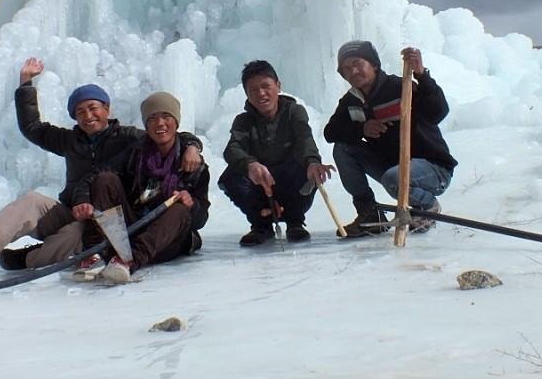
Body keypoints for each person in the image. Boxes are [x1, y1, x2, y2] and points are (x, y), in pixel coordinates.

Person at [0, 58, 202, 280]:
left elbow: (166, 133)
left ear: (106, 109)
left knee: (76, 236)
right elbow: (32, 128)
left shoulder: (128, 137)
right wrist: (25, 84)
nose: (88, 116)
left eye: (93, 108)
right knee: (32, 200)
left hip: (107, 218)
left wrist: (193, 146)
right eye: (80, 111)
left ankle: (28, 257)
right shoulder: (69, 140)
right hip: (73, 210)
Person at [71, 91, 209, 284]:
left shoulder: (195, 165)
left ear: (176, 121)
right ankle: (97, 253)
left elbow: (200, 220)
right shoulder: (135, 153)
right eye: (152, 118)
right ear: (146, 125)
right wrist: (82, 200)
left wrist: (191, 204)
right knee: (105, 180)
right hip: (134, 227)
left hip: (166, 241)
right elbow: (93, 176)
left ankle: (129, 261)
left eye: (166, 116)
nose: (160, 123)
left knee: (180, 208)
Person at [324, 41, 457, 237]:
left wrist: (422, 74)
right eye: (346, 68)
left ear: (374, 65)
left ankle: (427, 207)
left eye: (358, 63)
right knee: (343, 148)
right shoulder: (351, 101)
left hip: (433, 169)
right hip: (392, 170)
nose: (353, 71)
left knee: (394, 178)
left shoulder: (400, 87)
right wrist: (362, 129)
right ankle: (370, 213)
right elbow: (331, 133)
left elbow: (438, 111)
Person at [218, 60, 335, 246]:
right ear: (247, 94)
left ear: (278, 86)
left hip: (290, 180)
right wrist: (250, 164)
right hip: (260, 186)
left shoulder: (294, 112)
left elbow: (305, 139)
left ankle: (295, 221)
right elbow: (232, 149)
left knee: (307, 170)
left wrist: (313, 161)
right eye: (253, 90)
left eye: (266, 86)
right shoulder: (243, 121)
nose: (261, 94)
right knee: (230, 178)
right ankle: (261, 224)